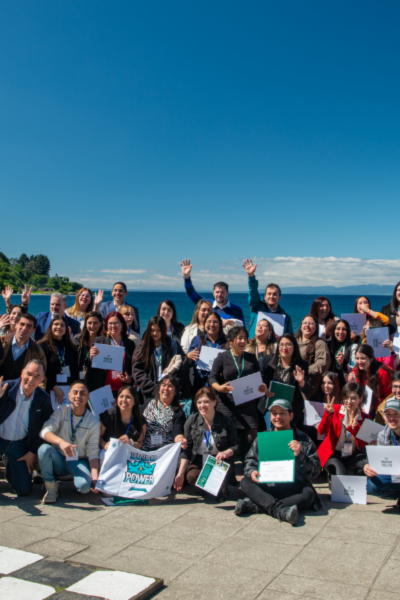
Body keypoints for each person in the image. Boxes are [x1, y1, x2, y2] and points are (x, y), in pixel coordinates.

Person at [236, 399, 321, 525]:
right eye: (274, 413)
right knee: (245, 481)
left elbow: (316, 471)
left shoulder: (303, 439)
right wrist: (252, 471)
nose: (278, 417)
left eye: (282, 413)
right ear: (270, 417)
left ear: (291, 416)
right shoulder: (263, 438)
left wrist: (300, 455)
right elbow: (250, 460)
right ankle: (279, 511)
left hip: (293, 487)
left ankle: (255, 506)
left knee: (308, 494)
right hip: (268, 484)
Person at [209, 326, 268, 455]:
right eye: (239, 338)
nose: (243, 341)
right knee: (225, 438)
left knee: (251, 438)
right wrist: (219, 388)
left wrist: (263, 386)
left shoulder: (251, 357)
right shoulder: (222, 357)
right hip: (227, 404)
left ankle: (249, 467)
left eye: (245, 338)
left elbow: (259, 378)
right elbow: (212, 377)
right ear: (230, 340)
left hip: (247, 404)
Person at [38, 380, 100, 503]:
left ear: (88, 397)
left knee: (84, 488)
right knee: (44, 449)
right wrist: (60, 442)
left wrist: (95, 479)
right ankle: (50, 486)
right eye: (75, 392)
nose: (78, 396)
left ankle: (76, 477)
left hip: (79, 460)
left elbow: (93, 453)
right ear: (69, 395)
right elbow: (44, 431)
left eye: (82, 393)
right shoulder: (61, 411)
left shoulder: (94, 421)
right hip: (60, 458)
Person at [174, 387, 239, 501]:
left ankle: (220, 485)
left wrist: (226, 452)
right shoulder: (192, 420)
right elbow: (187, 450)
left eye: (206, 402)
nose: (202, 405)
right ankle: (204, 487)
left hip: (219, 459)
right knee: (192, 476)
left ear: (214, 402)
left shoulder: (226, 420)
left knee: (223, 493)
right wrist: (180, 474)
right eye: (199, 402)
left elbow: (236, 445)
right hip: (199, 458)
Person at [0, 360, 52, 496]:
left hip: (19, 444)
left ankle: (11, 466)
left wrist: (32, 452)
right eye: (28, 374)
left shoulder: (44, 399)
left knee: (23, 490)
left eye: (36, 377)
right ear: (22, 373)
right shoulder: (5, 388)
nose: (31, 380)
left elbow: (45, 428)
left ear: (42, 379)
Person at [317, 383, 368, 479]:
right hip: (334, 454)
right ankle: (332, 475)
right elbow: (322, 431)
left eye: (353, 398)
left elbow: (362, 445)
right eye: (346, 397)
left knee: (366, 467)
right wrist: (328, 414)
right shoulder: (334, 409)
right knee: (340, 477)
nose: (349, 401)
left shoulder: (365, 417)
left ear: (360, 399)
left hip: (352, 454)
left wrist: (355, 428)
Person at [260, 333, 311, 428]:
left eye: (288, 344)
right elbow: (260, 379)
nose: (285, 347)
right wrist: (264, 388)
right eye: (282, 344)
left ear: (294, 347)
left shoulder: (301, 365)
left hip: (290, 409)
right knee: (270, 436)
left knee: (288, 438)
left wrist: (301, 382)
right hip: (270, 407)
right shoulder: (268, 360)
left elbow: (307, 388)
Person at [133, 316, 186, 402]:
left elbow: (182, 367)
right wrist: (154, 390)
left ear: (163, 330)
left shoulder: (173, 344)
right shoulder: (142, 347)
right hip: (148, 395)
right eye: (152, 330)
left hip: (168, 393)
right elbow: (137, 371)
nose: (155, 333)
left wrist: (172, 385)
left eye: (158, 330)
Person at [180, 259, 245, 324]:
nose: (219, 294)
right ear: (213, 293)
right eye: (217, 292)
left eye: (222, 292)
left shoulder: (237, 310)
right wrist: (186, 277)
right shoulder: (208, 305)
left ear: (227, 293)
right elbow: (191, 293)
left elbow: (242, 330)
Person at [242, 258, 293, 338]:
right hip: (253, 348)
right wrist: (251, 276)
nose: (271, 296)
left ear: (279, 298)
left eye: (275, 294)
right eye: (269, 294)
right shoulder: (256, 307)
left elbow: (290, 337)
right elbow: (253, 292)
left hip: (274, 349)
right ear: (265, 297)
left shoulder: (286, 317)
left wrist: (281, 339)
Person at [87, 312, 136, 395]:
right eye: (110, 323)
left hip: (122, 389)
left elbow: (134, 366)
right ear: (106, 325)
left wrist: (130, 379)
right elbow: (88, 365)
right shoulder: (99, 341)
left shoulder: (130, 344)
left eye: (116, 323)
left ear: (122, 324)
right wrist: (91, 356)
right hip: (101, 388)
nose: (113, 326)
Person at [363, 398, 400, 506]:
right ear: (384, 416)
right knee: (372, 485)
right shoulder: (383, 435)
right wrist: (369, 466)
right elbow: (382, 462)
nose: (392, 418)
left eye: (396, 414)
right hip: (395, 474)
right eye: (388, 414)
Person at [39, 316, 79, 402]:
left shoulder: (71, 347)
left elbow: (75, 370)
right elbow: (41, 371)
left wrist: (75, 388)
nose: (59, 327)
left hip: (68, 391)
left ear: (66, 329)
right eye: (56, 324)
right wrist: (54, 386)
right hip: (49, 389)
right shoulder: (43, 346)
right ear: (51, 327)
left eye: (62, 325)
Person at [141, 375, 187, 451]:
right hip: (145, 450)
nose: (166, 388)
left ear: (175, 392)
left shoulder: (178, 412)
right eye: (163, 385)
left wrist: (180, 439)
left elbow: (177, 432)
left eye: (170, 386)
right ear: (159, 389)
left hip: (165, 454)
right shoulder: (148, 403)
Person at [187, 312, 227, 398]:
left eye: (215, 322)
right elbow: (189, 363)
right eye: (208, 322)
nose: (211, 325)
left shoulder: (226, 343)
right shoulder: (197, 340)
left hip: (219, 385)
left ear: (220, 324)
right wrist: (188, 357)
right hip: (200, 384)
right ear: (204, 324)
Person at [0, 314, 47, 383]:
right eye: (22, 324)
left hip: (20, 392)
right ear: (16, 325)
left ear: (33, 330)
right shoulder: (1, 341)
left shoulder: (38, 352)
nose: (24, 328)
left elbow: (41, 379)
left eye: (29, 326)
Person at [100, 385, 146, 455]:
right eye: (121, 396)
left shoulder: (140, 419)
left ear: (134, 402)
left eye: (128, 397)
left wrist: (131, 443)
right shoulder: (108, 415)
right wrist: (104, 444)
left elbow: (139, 444)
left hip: (129, 455)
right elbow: (98, 437)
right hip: (108, 453)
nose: (124, 400)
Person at [348, 344, 392, 415]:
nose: (359, 362)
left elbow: (389, 396)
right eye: (357, 358)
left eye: (363, 358)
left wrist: (373, 405)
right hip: (362, 407)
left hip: (379, 409)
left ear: (371, 359)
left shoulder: (382, 373)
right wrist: (352, 384)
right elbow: (355, 394)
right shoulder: (356, 370)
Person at [295, 314, 331, 399]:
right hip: (291, 384)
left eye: (311, 323)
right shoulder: (293, 341)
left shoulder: (319, 343)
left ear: (316, 327)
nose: (307, 325)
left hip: (309, 387)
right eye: (305, 323)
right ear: (301, 326)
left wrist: (303, 372)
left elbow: (323, 364)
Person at [72, 311, 103, 383]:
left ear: (100, 324)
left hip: (96, 380)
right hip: (77, 378)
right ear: (85, 324)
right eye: (89, 323)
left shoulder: (104, 341)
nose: (92, 326)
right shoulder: (77, 339)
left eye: (95, 323)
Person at [327, 319, 353, 388]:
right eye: (338, 329)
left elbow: (354, 368)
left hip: (345, 384)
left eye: (344, 329)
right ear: (333, 331)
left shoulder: (353, 347)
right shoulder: (327, 345)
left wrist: (343, 363)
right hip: (329, 383)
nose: (341, 332)